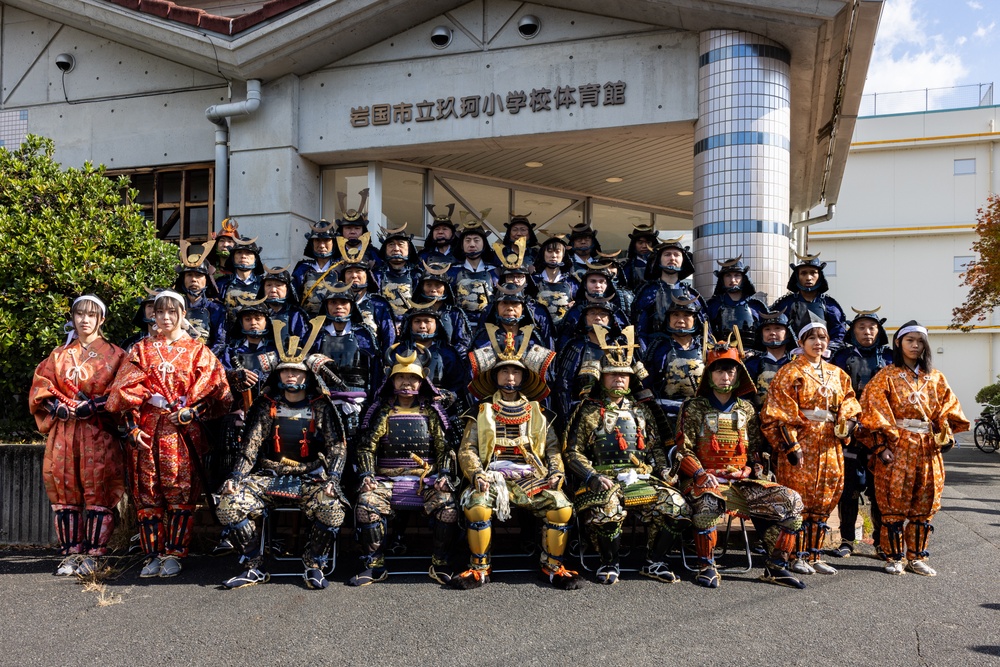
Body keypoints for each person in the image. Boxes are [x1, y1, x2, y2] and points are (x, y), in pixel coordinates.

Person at [216, 316, 349, 589]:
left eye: (297, 371)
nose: (291, 376)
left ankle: (315, 565)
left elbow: (337, 446)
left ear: (307, 375)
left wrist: (333, 481)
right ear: (277, 375)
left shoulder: (321, 406)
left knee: (333, 508)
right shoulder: (266, 406)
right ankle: (253, 565)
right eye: (286, 371)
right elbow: (250, 446)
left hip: (309, 476)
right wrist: (235, 479)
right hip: (270, 474)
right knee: (228, 504)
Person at [106, 291, 232, 578]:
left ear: (183, 315)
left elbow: (217, 390)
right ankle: (152, 553)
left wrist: (193, 411)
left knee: (180, 488)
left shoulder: (198, 350)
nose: (165, 317)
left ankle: (175, 552)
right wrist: (133, 427)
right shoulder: (140, 349)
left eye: (172, 312)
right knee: (147, 490)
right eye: (160, 312)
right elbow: (125, 392)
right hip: (148, 426)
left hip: (182, 428)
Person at [451, 324, 581, 589]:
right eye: (504, 371)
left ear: (523, 377)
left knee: (561, 507)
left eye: (515, 372)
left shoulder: (539, 412)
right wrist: (476, 474)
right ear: (495, 375)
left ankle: (553, 567)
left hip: (531, 476)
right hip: (491, 476)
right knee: (476, 506)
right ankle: (479, 568)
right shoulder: (481, 411)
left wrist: (556, 471)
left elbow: (554, 448)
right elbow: (467, 449)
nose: (510, 377)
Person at [563, 325, 689, 585]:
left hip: (639, 478)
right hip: (603, 479)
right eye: (612, 375)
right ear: (602, 378)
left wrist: (663, 469)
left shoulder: (643, 410)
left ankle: (655, 562)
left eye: (624, 375)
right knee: (608, 509)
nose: (619, 379)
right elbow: (573, 451)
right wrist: (591, 476)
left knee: (677, 504)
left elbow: (653, 447)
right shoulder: (589, 411)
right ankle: (609, 563)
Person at [676, 340, 805, 589]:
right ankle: (707, 566)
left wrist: (753, 469)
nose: (726, 376)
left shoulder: (746, 408)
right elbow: (683, 449)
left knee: (791, 501)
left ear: (738, 376)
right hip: (704, 480)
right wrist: (701, 474)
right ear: (709, 374)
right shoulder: (693, 407)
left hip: (742, 482)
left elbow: (756, 450)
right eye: (720, 370)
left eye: (731, 371)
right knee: (708, 501)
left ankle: (776, 567)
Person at [859, 321, 969, 576]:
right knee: (893, 503)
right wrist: (879, 447)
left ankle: (917, 557)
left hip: (927, 447)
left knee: (925, 502)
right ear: (898, 343)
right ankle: (893, 557)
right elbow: (872, 411)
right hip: (897, 445)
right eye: (910, 340)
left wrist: (946, 435)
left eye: (920, 341)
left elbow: (949, 409)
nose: (915, 345)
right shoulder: (885, 376)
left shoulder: (936, 377)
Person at [29, 295, 127, 576]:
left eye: (91, 315)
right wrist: (55, 406)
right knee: (64, 489)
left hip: (97, 431)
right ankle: (71, 553)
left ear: (101, 320)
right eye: (79, 314)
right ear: (73, 318)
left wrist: (94, 406)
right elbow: (41, 386)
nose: (84, 320)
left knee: (99, 487)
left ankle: (95, 554)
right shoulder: (58, 354)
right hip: (64, 431)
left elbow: (123, 391)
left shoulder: (116, 355)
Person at [349, 347, 459, 585]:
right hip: (386, 479)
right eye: (401, 377)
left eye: (412, 379)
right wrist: (367, 474)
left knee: (448, 507)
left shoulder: (432, 412)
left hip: (425, 479)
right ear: (392, 379)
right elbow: (366, 447)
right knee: (366, 505)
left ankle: (440, 563)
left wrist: (445, 474)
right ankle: (374, 565)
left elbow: (444, 447)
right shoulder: (382, 411)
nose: (406, 383)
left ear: (422, 382)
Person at [760, 318, 860, 576]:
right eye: (812, 338)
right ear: (800, 342)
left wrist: (848, 423)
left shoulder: (838, 374)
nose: (818, 342)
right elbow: (778, 412)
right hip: (803, 441)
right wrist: (791, 445)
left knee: (825, 498)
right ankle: (795, 555)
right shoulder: (790, 372)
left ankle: (815, 555)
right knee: (799, 499)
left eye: (822, 337)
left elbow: (850, 402)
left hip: (830, 443)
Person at [830, 307, 893, 559]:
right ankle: (846, 541)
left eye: (872, 328)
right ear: (852, 331)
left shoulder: (890, 358)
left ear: (879, 331)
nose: (867, 332)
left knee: (879, 490)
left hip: (882, 432)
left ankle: (880, 542)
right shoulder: (841, 357)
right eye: (861, 328)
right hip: (851, 432)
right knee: (850, 489)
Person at [642, 294, 707, 421]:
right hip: (666, 414)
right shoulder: (658, 348)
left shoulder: (706, 347)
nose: (681, 320)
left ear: (695, 318)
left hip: (700, 415)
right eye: (676, 315)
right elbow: (646, 384)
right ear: (669, 318)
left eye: (686, 315)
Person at [633, 237, 706, 341]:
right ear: (659, 259)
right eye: (667, 254)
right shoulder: (647, 293)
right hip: (656, 352)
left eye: (676, 255)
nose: (672, 258)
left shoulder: (692, 295)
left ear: (683, 260)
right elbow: (640, 332)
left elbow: (704, 331)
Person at [772, 252, 848, 352]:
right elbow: (775, 330)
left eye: (813, 273)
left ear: (819, 275)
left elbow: (839, 333)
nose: (808, 278)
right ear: (797, 276)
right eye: (803, 273)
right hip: (791, 357)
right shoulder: (786, 304)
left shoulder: (829, 304)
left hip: (824, 357)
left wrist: (825, 351)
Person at [174, 240, 227, 356]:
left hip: (206, 360)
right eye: (189, 275)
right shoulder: (174, 307)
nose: (193, 280)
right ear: (183, 280)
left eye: (198, 276)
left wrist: (204, 359)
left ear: (206, 280)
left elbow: (220, 342)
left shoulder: (216, 309)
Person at [447, 216, 499, 328]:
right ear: (462, 245)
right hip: (459, 326)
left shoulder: (495, 272)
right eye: (467, 240)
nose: (472, 244)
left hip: (488, 327)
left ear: (484, 244)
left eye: (476, 240)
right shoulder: (452, 271)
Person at [413, 260, 472, 354]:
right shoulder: (412, 313)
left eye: (438, 285)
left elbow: (463, 343)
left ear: (445, 288)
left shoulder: (455, 314)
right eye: (428, 285)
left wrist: (448, 357)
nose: (433, 290)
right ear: (422, 287)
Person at [704, 256, 767, 343]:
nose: (733, 280)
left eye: (737, 275)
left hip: (752, 354)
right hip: (719, 354)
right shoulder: (712, 306)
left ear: (744, 278)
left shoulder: (757, 306)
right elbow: (705, 335)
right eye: (728, 275)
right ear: (722, 279)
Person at [744, 311, 796, 410]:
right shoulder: (753, 363)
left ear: (788, 332)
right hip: (761, 420)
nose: (772, 333)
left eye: (778, 328)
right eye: (767, 329)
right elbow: (744, 397)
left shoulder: (797, 363)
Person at [373, 223, 422, 323]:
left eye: (400, 244)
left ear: (409, 248)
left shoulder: (416, 276)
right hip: (385, 325)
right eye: (391, 244)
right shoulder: (377, 275)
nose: (396, 249)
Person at [217, 236, 265, 326]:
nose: (243, 256)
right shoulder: (222, 284)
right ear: (233, 257)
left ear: (255, 258)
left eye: (248, 253)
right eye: (239, 253)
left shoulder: (264, 284)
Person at [532, 234, 578, 330]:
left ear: (563, 255)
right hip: (539, 329)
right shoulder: (533, 281)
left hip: (565, 331)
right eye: (549, 251)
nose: (553, 255)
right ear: (543, 254)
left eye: (558, 252)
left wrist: (574, 307)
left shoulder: (572, 283)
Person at [620, 222, 658, 291]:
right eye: (640, 243)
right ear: (634, 244)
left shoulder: (659, 263)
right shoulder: (628, 266)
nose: (644, 246)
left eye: (648, 242)